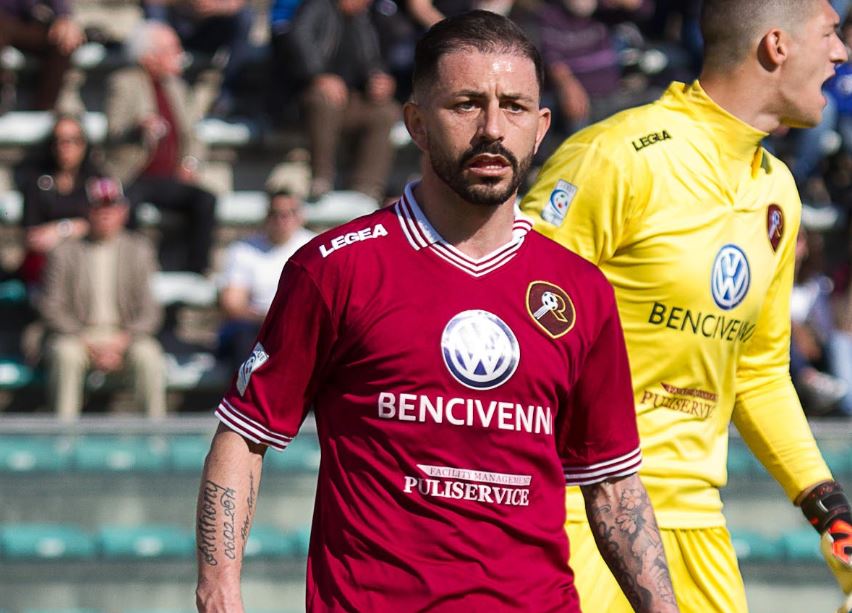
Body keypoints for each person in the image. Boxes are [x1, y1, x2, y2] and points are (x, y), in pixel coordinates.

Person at [195, 11, 678, 613]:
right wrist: (219, 594)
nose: (492, 129)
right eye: (466, 104)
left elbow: (613, 487)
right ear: (417, 124)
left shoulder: (581, 291)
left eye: (515, 107)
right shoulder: (336, 268)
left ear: (540, 128)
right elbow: (243, 437)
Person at [520, 0, 852, 611]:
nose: (841, 53)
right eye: (830, 34)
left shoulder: (777, 190)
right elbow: (515, 323)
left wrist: (829, 509)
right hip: (581, 514)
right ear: (776, 45)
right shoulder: (616, 156)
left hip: (697, 525)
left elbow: (758, 373)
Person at [39, 177, 166, 421]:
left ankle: (156, 434)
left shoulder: (139, 250)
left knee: (149, 355)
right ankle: (64, 434)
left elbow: (150, 310)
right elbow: (51, 307)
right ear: (87, 210)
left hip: (124, 335)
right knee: (65, 355)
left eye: (112, 206)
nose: (106, 213)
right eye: (98, 206)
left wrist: (122, 340)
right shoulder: (64, 252)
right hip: (78, 335)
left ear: (123, 211)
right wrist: (86, 340)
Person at [104, 20, 217, 274]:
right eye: (171, 49)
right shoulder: (124, 82)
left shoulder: (177, 87)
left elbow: (193, 135)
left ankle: (197, 269)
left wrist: (190, 163)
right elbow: (113, 130)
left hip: (170, 178)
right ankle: (129, 271)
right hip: (135, 174)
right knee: (128, 203)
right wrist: (139, 126)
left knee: (205, 200)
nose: (179, 55)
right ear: (149, 56)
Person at [274, 0, 400, 202]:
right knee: (324, 100)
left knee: (386, 111)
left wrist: (379, 80)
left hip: (350, 100)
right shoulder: (316, 6)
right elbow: (298, 39)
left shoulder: (362, 20)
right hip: (305, 98)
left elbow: (372, 59)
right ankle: (321, 177)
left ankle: (367, 186)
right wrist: (318, 75)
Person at [216, 189, 316, 370]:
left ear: (301, 216)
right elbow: (232, 304)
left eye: (289, 213)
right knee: (242, 337)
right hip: (256, 328)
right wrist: (273, 318)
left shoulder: (314, 247)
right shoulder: (244, 249)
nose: (282, 220)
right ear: (266, 216)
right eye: (275, 214)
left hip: (298, 326)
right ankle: (247, 388)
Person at [16, 113, 100, 287]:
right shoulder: (37, 181)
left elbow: (104, 226)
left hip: (88, 263)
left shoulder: (96, 181)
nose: (65, 147)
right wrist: (78, 226)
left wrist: (59, 230)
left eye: (72, 140)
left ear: (84, 144)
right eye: (59, 140)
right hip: (47, 266)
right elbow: (34, 237)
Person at [0, 0, 84, 111]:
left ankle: (45, 110)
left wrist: (64, 18)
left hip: (32, 27)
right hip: (5, 26)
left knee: (63, 37)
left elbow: (59, 10)